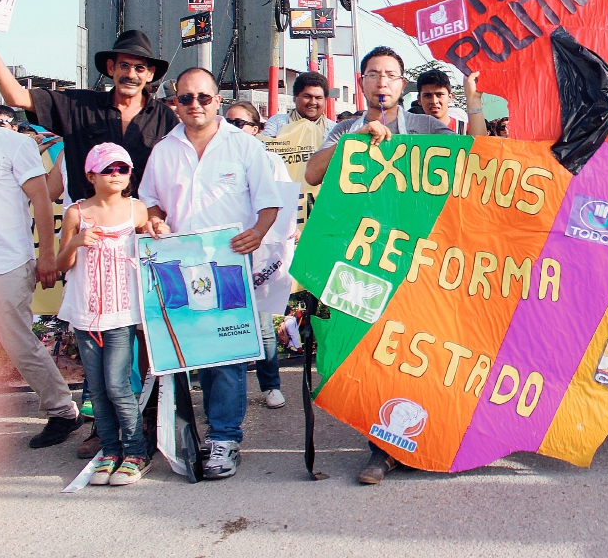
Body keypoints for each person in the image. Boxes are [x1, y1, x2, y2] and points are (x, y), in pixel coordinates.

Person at [303, 46, 452, 485]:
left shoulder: (424, 125)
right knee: (368, 350)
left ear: (402, 85)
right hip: (360, 261)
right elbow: (313, 174)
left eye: (390, 75)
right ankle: (383, 444)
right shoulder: (344, 128)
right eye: (374, 74)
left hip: (414, 259)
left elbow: (473, 159)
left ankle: (409, 443)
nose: (382, 82)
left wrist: (476, 101)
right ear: (362, 82)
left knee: (413, 350)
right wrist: (354, 142)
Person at [139, 68, 283, 479]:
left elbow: (269, 202)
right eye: (186, 98)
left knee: (226, 356)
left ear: (217, 100)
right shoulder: (164, 150)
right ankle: (181, 437)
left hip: (229, 269)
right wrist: (154, 221)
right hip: (177, 268)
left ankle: (224, 439)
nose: (195, 104)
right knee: (182, 355)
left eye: (203, 97)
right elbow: (150, 201)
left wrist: (257, 233)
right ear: (175, 103)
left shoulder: (243, 147)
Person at [56, 143, 157, 485]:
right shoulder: (76, 213)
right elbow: (61, 264)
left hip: (121, 313)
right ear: (90, 175)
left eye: (122, 169)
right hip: (85, 312)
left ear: (130, 176)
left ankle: (136, 451)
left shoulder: (137, 210)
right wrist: (75, 243)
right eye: (108, 169)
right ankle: (110, 450)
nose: (116, 175)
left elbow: (153, 250)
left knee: (117, 384)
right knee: (97, 388)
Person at [0, 30, 177, 202]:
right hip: (88, 228)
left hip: (144, 228)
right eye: (124, 65)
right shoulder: (78, 106)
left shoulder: (165, 118)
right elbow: (15, 96)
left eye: (139, 68)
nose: (131, 74)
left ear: (150, 73)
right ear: (111, 67)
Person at [0, 116, 75, 448]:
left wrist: (46, 255)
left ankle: (63, 412)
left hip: (8, 261)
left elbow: (42, 200)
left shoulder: (14, 144)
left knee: (17, 342)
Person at [225, 101, 292, 410]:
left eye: (240, 123)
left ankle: (271, 385)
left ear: (256, 129)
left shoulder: (272, 161)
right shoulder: (216, 159)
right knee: (227, 326)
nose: (233, 129)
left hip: (262, 250)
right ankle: (230, 393)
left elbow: (284, 207)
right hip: (224, 251)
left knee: (263, 325)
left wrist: (277, 249)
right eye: (228, 122)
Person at [415, 68, 486, 135]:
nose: (434, 101)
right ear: (419, 100)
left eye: (439, 95)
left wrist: (474, 98)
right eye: (427, 96)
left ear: (450, 97)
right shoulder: (411, 131)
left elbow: (480, 145)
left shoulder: (465, 130)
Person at [261, 71, 329, 137]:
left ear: (325, 100)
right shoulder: (276, 123)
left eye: (318, 98)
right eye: (307, 97)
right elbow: (265, 145)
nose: (313, 102)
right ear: (295, 98)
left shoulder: (333, 130)